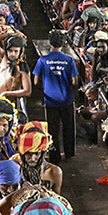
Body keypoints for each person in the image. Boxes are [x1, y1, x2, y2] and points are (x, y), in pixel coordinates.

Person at [33, 30, 78, 164]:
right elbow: (75, 81)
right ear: (63, 43)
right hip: (67, 100)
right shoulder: (69, 60)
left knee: (52, 129)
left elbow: (35, 81)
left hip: (50, 101)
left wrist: (45, 89)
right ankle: (69, 154)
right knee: (68, 127)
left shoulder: (42, 60)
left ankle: (54, 156)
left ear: (50, 43)